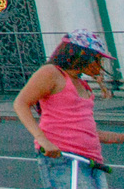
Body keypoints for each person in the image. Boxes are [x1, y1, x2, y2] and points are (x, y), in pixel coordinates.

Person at [15, 29, 123, 189]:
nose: (100, 65)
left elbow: (86, 131)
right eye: (97, 59)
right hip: (64, 158)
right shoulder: (51, 73)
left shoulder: (82, 83)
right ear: (81, 55)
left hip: (91, 160)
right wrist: (43, 140)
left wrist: (121, 137)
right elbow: (21, 103)